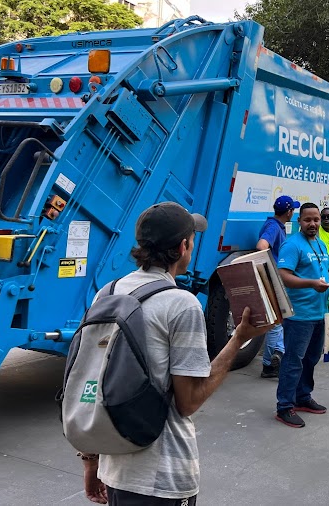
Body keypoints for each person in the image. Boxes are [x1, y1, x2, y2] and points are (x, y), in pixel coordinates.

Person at [79, 202, 269, 505]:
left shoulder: (109, 292)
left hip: (114, 469)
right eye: (191, 239)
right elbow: (189, 400)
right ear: (183, 246)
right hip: (163, 477)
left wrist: (90, 461)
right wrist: (238, 340)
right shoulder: (181, 304)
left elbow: (90, 381)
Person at [275, 203, 329, 428]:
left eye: (316, 220)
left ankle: (302, 397)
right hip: (299, 315)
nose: (313, 224)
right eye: (308, 220)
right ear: (299, 221)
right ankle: (284, 406)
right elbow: (283, 276)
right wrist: (311, 284)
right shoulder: (292, 245)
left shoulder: (319, 242)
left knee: (311, 358)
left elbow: (322, 272)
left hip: (319, 312)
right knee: (293, 361)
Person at [256, 195, 300, 378]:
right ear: (289, 211)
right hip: (272, 277)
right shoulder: (274, 226)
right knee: (277, 321)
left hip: (271, 277)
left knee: (277, 320)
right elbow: (261, 246)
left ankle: (270, 363)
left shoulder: (275, 225)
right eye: (293, 210)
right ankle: (276, 356)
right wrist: (272, 267)